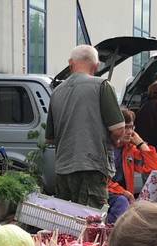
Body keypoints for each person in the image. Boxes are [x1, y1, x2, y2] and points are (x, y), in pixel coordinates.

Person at [45, 44, 126, 209]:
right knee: (91, 222)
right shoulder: (102, 85)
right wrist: (115, 141)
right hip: (92, 167)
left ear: (70, 64)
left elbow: (50, 138)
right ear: (96, 66)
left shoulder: (56, 92)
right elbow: (118, 129)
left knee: (67, 221)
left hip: (63, 169)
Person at [106, 109, 157, 224]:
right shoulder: (105, 147)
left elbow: (155, 170)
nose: (129, 132)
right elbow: (102, 180)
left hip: (123, 196)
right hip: (105, 193)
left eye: (131, 127)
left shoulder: (129, 150)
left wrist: (141, 143)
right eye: (125, 127)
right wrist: (123, 192)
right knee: (121, 202)